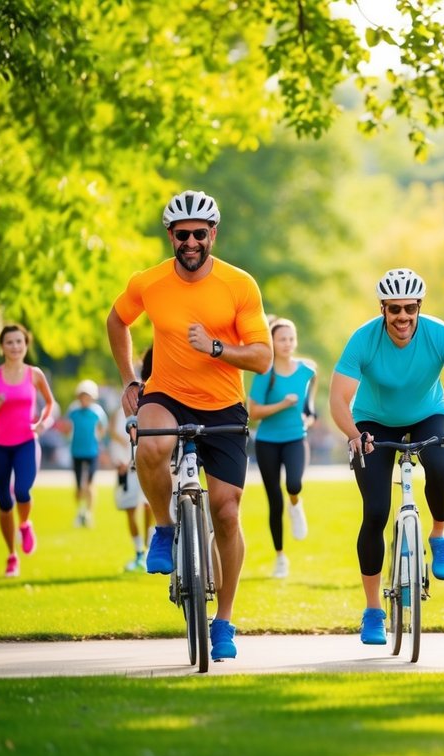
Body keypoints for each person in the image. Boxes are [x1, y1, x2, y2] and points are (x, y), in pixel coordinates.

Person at [106, 190, 272, 661]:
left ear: (213, 234)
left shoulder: (240, 285)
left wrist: (217, 348)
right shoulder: (149, 282)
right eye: (183, 235)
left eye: (201, 233)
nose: (192, 242)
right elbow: (117, 321)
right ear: (171, 236)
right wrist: (129, 380)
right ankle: (163, 528)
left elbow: (263, 357)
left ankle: (225, 620)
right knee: (150, 444)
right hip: (168, 394)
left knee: (226, 512)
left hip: (223, 405)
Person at [329, 268, 444, 645]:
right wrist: (354, 436)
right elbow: (338, 399)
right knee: (376, 511)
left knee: (437, 465)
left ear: (419, 308)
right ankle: (372, 612)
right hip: (373, 422)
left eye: (410, 309)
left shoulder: (440, 335)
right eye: (394, 309)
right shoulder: (364, 339)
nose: (402, 317)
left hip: (428, 413)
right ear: (383, 309)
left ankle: (438, 536)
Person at [0, 323, 56, 577]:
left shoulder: (35, 374)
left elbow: (50, 404)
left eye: (19, 341)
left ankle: (26, 525)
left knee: (21, 491)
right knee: (4, 502)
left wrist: (42, 423)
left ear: (26, 345)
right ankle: (11, 554)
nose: (15, 346)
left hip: (26, 443)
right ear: (2, 347)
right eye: (9, 342)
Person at [248, 317, 318, 579]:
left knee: (294, 484)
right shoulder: (265, 373)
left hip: (295, 438)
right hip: (267, 442)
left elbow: (311, 400)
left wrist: (308, 415)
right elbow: (253, 412)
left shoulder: (307, 370)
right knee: (273, 502)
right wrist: (283, 405)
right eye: (282, 339)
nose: (287, 343)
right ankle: (280, 557)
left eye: (291, 338)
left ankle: (296, 504)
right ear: (272, 343)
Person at [115, 349, 155, 572]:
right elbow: (118, 433)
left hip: (153, 462)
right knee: (132, 508)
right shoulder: (132, 395)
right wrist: (121, 461)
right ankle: (139, 551)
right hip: (129, 464)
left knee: (151, 506)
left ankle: (149, 547)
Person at [67, 379, 108, 528]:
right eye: (83, 395)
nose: (85, 399)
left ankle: (89, 513)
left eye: (88, 396)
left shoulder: (97, 412)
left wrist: (98, 438)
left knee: (90, 484)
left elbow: (103, 428)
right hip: (76, 451)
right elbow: (67, 426)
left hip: (92, 452)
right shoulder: (73, 411)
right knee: (78, 486)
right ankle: (80, 512)